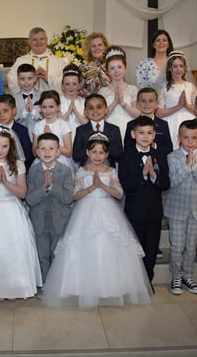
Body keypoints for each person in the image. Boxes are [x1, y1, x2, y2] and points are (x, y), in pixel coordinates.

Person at [42, 132, 152, 308]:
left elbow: (119, 193)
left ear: (107, 154)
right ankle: (82, 287)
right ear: (87, 152)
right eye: (94, 152)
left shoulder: (111, 171)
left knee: (108, 248)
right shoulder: (82, 171)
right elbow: (75, 195)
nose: (97, 156)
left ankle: (110, 288)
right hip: (85, 211)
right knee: (84, 247)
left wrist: (103, 185)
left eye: (102, 153)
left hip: (108, 210)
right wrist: (92, 187)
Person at [0, 126, 42, 300]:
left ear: (10, 146)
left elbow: (22, 193)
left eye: (4, 146)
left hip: (12, 209)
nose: (0, 150)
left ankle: (14, 286)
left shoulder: (18, 164)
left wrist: (5, 181)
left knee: (13, 248)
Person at [119, 116, 170, 288]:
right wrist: (142, 175)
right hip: (135, 210)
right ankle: (134, 282)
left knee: (151, 247)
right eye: (141, 133)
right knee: (135, 248)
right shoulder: (125, 156)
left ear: (154, 134)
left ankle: (148, 281)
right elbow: (125, 185)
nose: (145, 136)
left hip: (154, 211)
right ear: (133, 134)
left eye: (149, 133)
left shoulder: (160, 155)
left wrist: (154, 176)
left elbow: (166, 183)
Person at [164, 120, 197, 296]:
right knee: (177, 246)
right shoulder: (172, 156)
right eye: (186, 137)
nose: (190, 141)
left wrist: (195, 168)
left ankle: (187, 275)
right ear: (179, 138)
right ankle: (176, 276)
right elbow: (172, 183)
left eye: (194, 138)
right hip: (177, 209)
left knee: (191, 246)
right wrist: (187, 167)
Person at [25, 133, 74, 282]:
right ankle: (45, 285)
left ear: (58, 152)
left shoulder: (65, 171)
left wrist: (52, 187)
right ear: (37, 152)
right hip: (39, 220)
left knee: (57, 254)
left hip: (60, 220)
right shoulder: (33, 171)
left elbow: (68, 198)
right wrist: (44, 188)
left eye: (51, 148)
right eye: (43, 149)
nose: (47, 152)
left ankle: (57, 285)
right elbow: (30, 200)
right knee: (42, 255)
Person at [156, 51, 197, 149]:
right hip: (171, 120)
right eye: (175, 66)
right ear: (170, 68)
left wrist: (186, 106)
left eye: (181, 66)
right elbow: (158, 112)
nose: (178, 69)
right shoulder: (164, 87)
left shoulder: (190, 86)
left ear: (184, 68)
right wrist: (178, 106)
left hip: (189, 119)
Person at [8, 27, 69, 94]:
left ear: (47, 40)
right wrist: (30, 79)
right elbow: (12, 81)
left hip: (52, 101)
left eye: (41, 39)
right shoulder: (20, 61)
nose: (38, 42)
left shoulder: (59, 62)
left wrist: (48, 79)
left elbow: (67, 82)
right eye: (35, 39)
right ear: (29, 42)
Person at [99, 45, 140, 140]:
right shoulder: (103, 91)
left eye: (119, 67)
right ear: (107, 71)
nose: (116, 71)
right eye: (112, 68)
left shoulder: (133, 89)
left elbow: (138, 114)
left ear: (125, 68)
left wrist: (123, 103)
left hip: (129, 130)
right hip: (109, 131)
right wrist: (114, 103)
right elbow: (100, 116)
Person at [73, 93, 123, 168]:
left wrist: (106, 142)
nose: (95, 110)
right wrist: (91, 141)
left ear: (106, 110)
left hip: (108, 171)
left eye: (99, 107)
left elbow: (119, 155)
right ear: (85, 112)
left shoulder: (114, 129)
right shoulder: (81, 130)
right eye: (90, 108)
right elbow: (76, 157)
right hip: (86, 170)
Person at [124, 87, 173, 155]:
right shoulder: (131, 124)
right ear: (137, 104)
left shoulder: (163, 124)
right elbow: (127, 149)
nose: (147, 104)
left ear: (157, 104)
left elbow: (169, 149)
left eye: (151, 101)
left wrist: (154, 145)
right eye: (143, 101)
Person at [33, 90, 73, 171]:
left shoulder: (64, 125)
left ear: (58, 107)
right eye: (44, 107)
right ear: (40, 108)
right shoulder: (38, 125)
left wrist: (52, 138)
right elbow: (34, 152)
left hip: (61, 162)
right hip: (42, 161)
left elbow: (68, 152)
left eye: (51, 107)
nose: (47, 110)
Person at [0, 94, 34, 167]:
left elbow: (27, 155)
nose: (1, 115)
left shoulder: (22, 130)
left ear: (14, 111)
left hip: (17, 167)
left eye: (5, 111)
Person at [13, 63, 40, 138]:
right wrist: (24, 112)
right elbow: (11, 119)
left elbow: (46, 116)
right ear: (18, 80)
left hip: (38, 135)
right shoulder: (13, 99)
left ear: (35, 79)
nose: (26, 82)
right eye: (22, 79)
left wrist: (33, 111)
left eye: (29, 78)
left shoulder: (42, 96)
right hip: (19, 136)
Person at [59, 64, 87, 138]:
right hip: (62, 137)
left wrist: (75, 111)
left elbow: (88, 124)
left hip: (80, 137)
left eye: (74, 84)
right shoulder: (58, 101)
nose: (71, 87)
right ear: (62, 86)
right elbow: (55, 123)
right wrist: (68, 112)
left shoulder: (84, 102)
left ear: (79, 85)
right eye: (67, 84)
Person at [79, 32, 110, 96]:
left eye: (100, 45)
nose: (97, 48)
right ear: (89, 49)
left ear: (105, 47)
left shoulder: (112, 65)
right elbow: (79, 90)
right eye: (93, 46)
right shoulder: (83, 68)